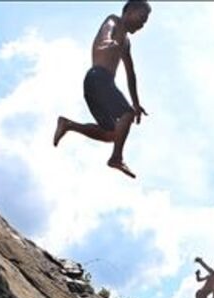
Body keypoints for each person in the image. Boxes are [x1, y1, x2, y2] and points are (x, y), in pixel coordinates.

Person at [52, 0, 151, 178]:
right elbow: (107, 30)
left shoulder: (126, 43)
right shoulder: (114, 21)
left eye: (145, 22)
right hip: (98, 78)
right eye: (141, 17)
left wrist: (137, 103)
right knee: (126, 114)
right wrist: (107, 41)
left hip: (98, 85)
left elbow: (131, 73)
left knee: (112, 134)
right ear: (129, 11)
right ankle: (116, 158)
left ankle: (68, 124)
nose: (142, 24)